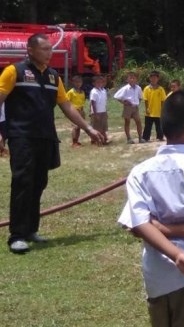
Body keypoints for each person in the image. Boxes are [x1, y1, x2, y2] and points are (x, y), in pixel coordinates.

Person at [118, 89, 184, 327]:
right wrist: (173, 241)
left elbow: (138, 224)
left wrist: (162, 235)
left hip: (157, 278)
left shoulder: (141, 171)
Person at [0, 33, 105, 254]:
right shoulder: (14, 71)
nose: (49, 53)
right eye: (44, 49)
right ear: (30, 50)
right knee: (22, 182)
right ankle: (16, 236)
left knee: (39, 183)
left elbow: (66, 106)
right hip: (21, 136)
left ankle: (31, 230)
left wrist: (88, 129)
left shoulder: (53, 76)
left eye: (50, 49)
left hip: (45, 137)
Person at [114, 71, 144, 144]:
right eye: (130, 78)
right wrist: (123, 102)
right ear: (127, 79)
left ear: (136, 79)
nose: (132, 79)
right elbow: (116, 96)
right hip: (128, 107)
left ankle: (140, 138)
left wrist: (137, 103)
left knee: (138, 121)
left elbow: (140, 97)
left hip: (135, 107)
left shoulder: (138, 88)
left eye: (134, 78)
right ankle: (129, 138)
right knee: (127, 122)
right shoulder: (125, 88)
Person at [142, 71, 167, 142]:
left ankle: (160, 137)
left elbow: (163, 100)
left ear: (158, 79)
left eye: (155, 78)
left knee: (159, 126)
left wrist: (163, 109)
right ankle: (145, 137)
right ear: (150, 78)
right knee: (148, 126)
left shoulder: (161, 89)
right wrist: (147, 108)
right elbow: (145, 100)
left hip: (158, 111)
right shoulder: (147, 88)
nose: (154, 79)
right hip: (149, 111)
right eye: (152, 78)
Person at [66, 74, 87, 148]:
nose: (78, 84)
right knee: (75, 127)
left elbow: (82, 102)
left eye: (80, 82)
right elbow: (66, 102)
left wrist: (83, 112)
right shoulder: (71, 92)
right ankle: (74, 142)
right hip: (74, 112)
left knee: (79, 127)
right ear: (73, 83)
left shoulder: (82, 92)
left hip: (81, 111)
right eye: (76, 82)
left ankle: (77, 141)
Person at [89, 74, 109, 144]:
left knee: (103, 126)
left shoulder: (103, 90)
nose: (99, 84)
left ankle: (103, 138)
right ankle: (94, 140)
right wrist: (95, 114)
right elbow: (93, 103)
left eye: (101, 82)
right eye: (97, 82)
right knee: (96, 127)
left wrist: (106, 112)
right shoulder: (94, 91)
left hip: (103, 111)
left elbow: (104, 102)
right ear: (94, 83)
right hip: (96, 112)